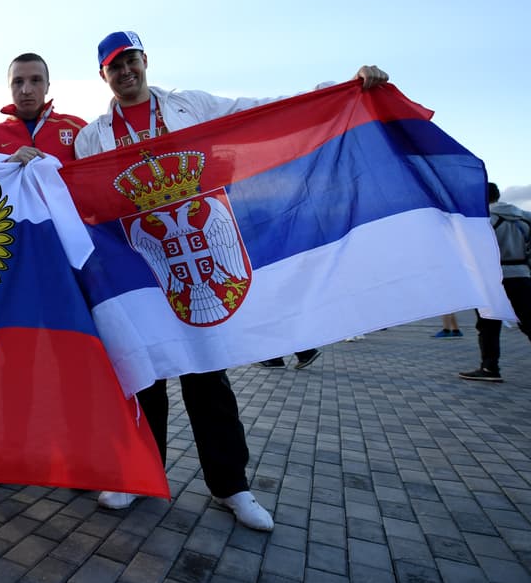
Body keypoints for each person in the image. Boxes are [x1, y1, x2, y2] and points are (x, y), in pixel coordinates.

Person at [75, 29, 389, 531]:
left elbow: (260, 113)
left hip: (198, 256)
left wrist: (336, 90)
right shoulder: (91, 136)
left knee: (208, 378)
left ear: (145, 60)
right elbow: (84, 201)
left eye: (131, 60)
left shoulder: (190, 106)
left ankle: (231, 486)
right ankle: (141, 476)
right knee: (144, 379)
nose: (125, 71)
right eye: (115, 65)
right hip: (140, 267)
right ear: (103, 74)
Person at [458, 182, 531, 382]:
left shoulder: (480, 219)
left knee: (488, 323)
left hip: (491, 277)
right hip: (520, 274)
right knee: (530, 324)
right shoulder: (525, 216)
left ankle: (490, 367)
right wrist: (528, 255)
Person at [0, 53, 85, 165]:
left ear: (47, 86)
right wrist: (8, 165)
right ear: (9, 87)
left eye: (35, 80)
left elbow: (94, 172)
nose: (26, 90)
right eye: (18, 82)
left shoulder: (78, 129)